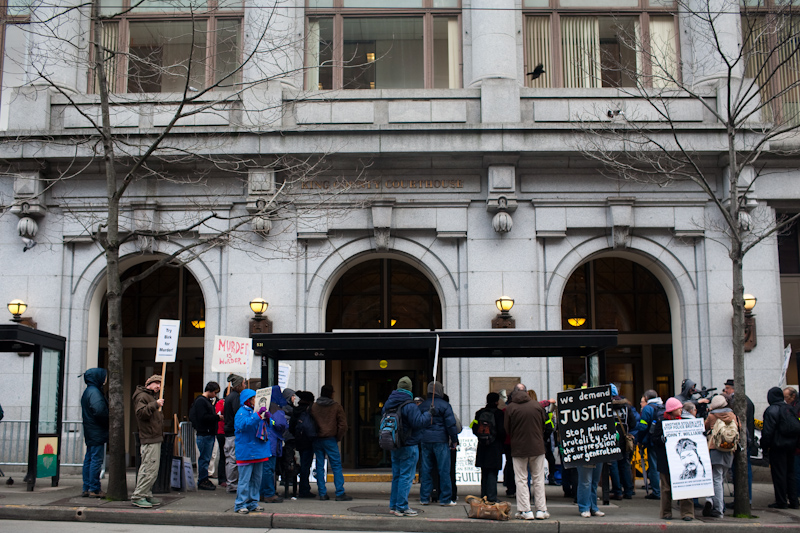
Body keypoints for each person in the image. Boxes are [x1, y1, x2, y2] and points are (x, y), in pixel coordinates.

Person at [384, 376, 433, 516]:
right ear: (410, 389)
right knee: (406, 476)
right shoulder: (409, 405)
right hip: (409, 444)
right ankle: (402, 506)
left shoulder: (389, 403)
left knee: (397, 476)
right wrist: (429, 414)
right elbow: (418, 422)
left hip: (394, 443)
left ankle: (394, 506)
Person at [504, 384, 549, 520]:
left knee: (521, 479)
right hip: (537, 447)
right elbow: (544, 425)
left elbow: (507, 429)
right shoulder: (537, 406)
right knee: (538, 478)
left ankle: (525, 510)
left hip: (519, 448)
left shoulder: (510, 408)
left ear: (514, 393)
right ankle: (541, 509)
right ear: (526, 392)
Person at [651, 397, 694, 521]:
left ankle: (687, 513)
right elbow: (654, 439)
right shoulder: (661, 422)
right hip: (666, 460)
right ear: (671, 410)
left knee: (685, 485)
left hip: (681, 461)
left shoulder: (685, 421)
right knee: (666, 488)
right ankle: (666, 512)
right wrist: (661, 439)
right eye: (678, 408)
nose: (680, 410)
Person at [418, 381, 459, 506]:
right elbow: (451, 424)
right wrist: (454, 439)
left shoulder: (422, 405)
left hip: (425, 440)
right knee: (444, 470)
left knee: (426, 470)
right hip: (440, 440)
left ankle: (424, 497)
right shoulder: (445, 405)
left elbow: (418, 422)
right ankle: (445, 498)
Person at [310, 384, 352, 501]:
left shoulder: (314, 407)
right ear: (331, 393)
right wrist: (338, 437)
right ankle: (339, 492)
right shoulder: (336, 407)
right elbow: (343, 425)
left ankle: (322, 493)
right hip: (330, 439)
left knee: (319, 466)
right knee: (336, 466)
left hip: (317, 439)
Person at [762, 386, 800, 509]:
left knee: (779, 474)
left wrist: (764, 447)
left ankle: (781, 501)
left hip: (777, 447)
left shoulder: (771, 410)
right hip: (791, 447)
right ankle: (794, 501)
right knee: (790, 473)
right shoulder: (790, 408)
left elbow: (768, 432)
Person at [130, 374, 164, 508]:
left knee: (152, 468)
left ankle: (146, 493)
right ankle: (139, 495)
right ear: (150, 383)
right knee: (149, 467)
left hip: (153, 436)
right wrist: (154, 405)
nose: (159, 387)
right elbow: (140, 413)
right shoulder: (142, 396)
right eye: (157, 384)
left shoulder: (149, 396)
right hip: (149, 437)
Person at [234, 388, 270, 514]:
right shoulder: (241, 412)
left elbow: (269, 427)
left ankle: (253, 502)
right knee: (244, 480)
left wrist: (268, 419)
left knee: (256, 480)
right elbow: (243, 425)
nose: (257, 400)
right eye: (254, 398)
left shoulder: (256, 412)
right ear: (248, 400)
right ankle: (240, 504)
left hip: (258, 451)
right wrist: (258, 415)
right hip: (246, 451)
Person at [703, 394, 738, 518]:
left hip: (715, 450)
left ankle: (717, 508)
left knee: (716, 479)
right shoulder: (732, 415)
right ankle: (715, 501)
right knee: (721, 478)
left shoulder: (712, 415)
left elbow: (704, 426)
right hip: (729, 450)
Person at [725, 378, 755, 502]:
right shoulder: (747, 400)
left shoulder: (738, 401)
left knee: (741, 469)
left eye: (727, 388)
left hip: (741, 439)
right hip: (745, 438)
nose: (726, 391)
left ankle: (744, 498)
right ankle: (745, 498)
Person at [471, 392, 505, 502]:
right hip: (494, 446)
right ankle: (491, 496)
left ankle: (484, 495)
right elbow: (501, 431)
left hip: (482, 446)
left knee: (484, 471)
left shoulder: (479, 413)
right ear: (496, 401)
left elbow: (474, 428)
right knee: (492, 472)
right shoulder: (499, 414)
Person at [80, 368, 109, 498]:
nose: (106, 378)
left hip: (91, 430)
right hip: (96, 430)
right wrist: (107, 421)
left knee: (89, 459)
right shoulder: (95, 392)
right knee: (96, 460)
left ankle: (87, 487)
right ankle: (94, 488)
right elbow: (99, 411)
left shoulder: (88, 391)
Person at [189, 381, 222, 491]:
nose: (215, 395)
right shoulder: (201, 402)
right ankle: (202, 479)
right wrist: (217, 417)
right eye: (215, 393)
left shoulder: (203, 401)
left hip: (207, 432)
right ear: (211, 391)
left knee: (206, 458)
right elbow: (203, 417)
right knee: (205, 458)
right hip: (205, 433)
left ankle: (204, 478)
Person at [609, 383, 638, 500]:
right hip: (624, 438)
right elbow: (633, 423)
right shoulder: (626, 406)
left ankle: (617, 491)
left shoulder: (606, 406)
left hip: (611, 438)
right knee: (625, 464)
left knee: (613, 465)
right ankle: (628, 490)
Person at [261, 385, 288, 503]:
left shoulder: (263, 406)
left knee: (264, 469)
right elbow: (280, 424)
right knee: (269, 469)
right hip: (271, 442)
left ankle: (263, 492)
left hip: (264, 441)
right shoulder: (276, 408)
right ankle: (268, 493)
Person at [636, 389, 663, 500]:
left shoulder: (648, 408)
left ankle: (656, 491)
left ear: (646, 399)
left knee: (653, 466)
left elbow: (643, 427)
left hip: (652, 441)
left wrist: (639, 440)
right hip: (662, 440)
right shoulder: (662, 406)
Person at [289, 390, 316, 498]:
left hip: (299, 440)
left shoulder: (295, 410)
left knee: (302, 464)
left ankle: (302, 487)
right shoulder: (309, 411)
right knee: (306, 465)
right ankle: (304, 489)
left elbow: (291, 427)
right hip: (308, 441)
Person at [223, 374, 246, 493]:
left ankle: (231, 482)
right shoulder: (235, 397)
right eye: (243, 383)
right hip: (233, 432)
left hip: (229, 431)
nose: (245, 385)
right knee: (233, 459)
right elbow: (238, 414)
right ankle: (232, 483)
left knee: (231, 458)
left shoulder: (230, 397)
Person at [215, 393, 227, 488]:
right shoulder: (220, 403)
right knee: (223, 455)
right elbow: (219, 414)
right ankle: (222, 478)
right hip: (221, 432)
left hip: (227, 431)